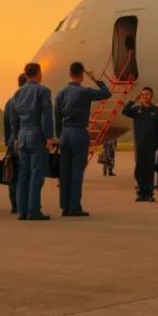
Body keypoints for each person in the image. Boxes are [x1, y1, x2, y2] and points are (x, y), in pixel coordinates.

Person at [54, 62, 111, 216]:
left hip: (65, 134)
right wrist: (95, 79)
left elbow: (57, 117)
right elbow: (107, 93)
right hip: (79, 133)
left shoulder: (60, 93)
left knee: (65, 172)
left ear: (70, 73)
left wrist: (59, 136)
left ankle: (65, 206)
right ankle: (74, 207)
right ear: (82, 75)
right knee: (77, 171)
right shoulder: (85, 92)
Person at [8, 63, 56, 221]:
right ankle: (33, 210)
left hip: (22, 135)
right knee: (37, 174)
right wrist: (49, 136)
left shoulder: (17, 93)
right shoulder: (43, 91)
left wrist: (15, 137)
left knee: (23, 175)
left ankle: (22, 210)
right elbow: (46, 116)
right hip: (37, 134)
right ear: (38, 73)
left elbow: (13, 119)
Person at [122, 87, 158, 202]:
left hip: (151, 145)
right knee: (140, 169)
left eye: (147, 94)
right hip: (139, 145)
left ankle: (149, 193)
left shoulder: (156, 111)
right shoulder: (136, 110)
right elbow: (124, 111)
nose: (145, 96)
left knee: (149, 170)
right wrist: (133, 100)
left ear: (152, 96)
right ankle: (140, 193)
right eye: (143, 94)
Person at [2, 73, 27, 213]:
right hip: (23, 141)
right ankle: (24, 203)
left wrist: (9, 142)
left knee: (12, 174)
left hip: (12, 142)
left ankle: (15, 204)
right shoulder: (26, 100)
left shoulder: (9, 102)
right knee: (25, 173)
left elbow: (6, 125)